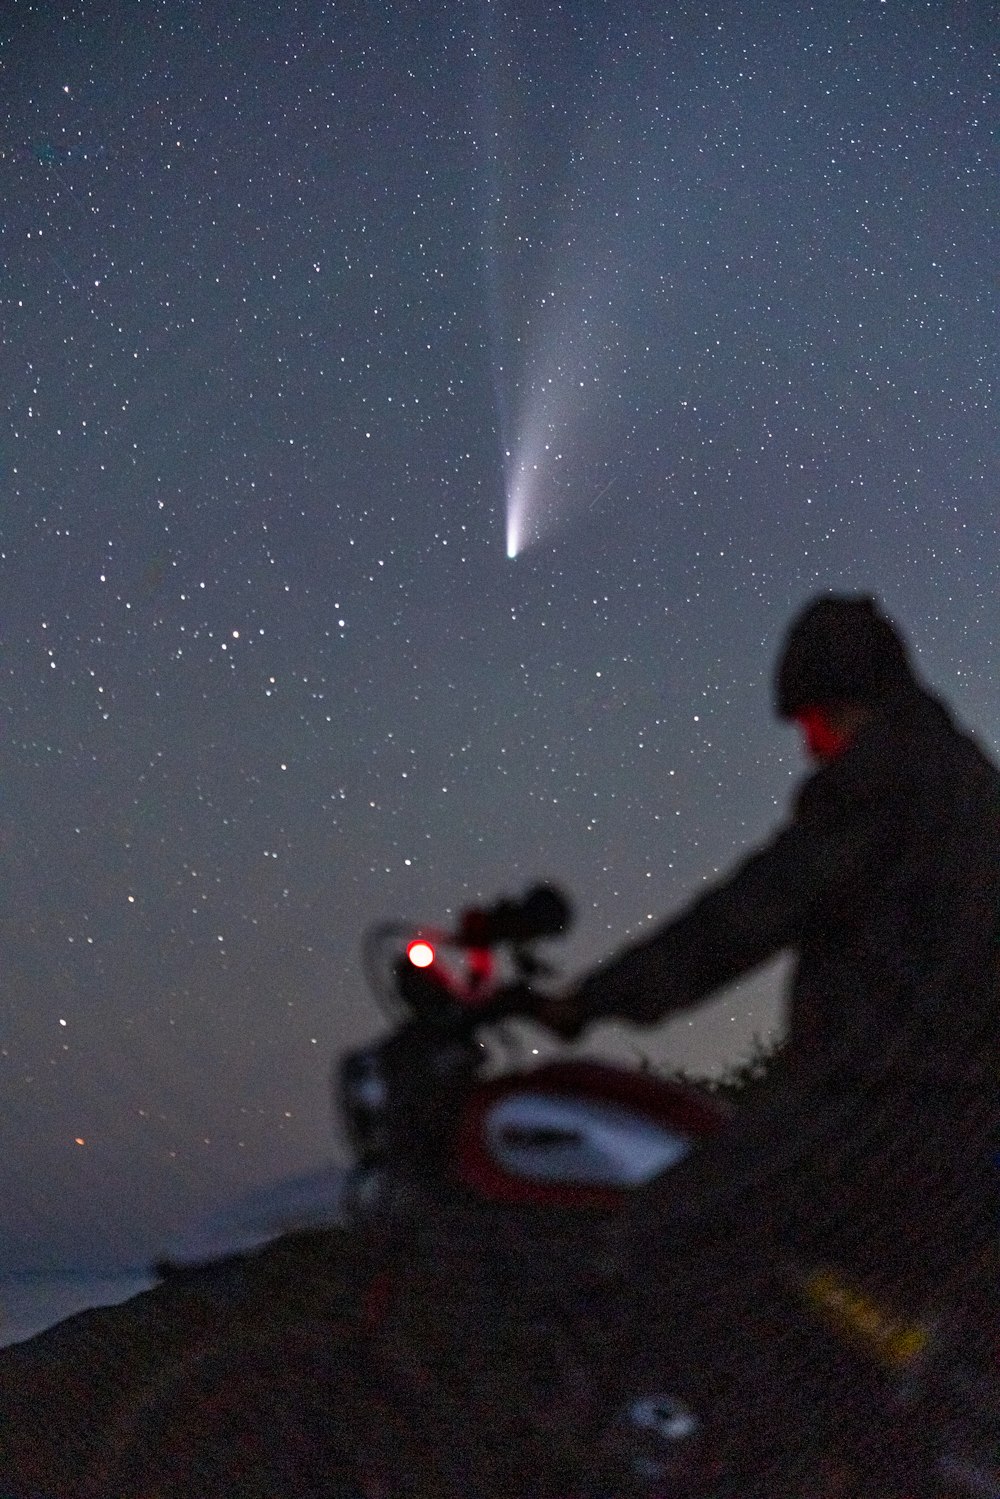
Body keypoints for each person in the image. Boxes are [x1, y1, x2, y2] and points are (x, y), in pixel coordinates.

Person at [540, 593, 1000, 1491]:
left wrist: (596, 998)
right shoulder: (967, 781)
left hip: (881, 1101)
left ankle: (681, 1455)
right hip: (959, 1115)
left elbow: (756, 908)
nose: (809, 749)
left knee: (660, 1230)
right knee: (844, 1343)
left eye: (814, 726)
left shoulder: (887, 778)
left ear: (842, 704)